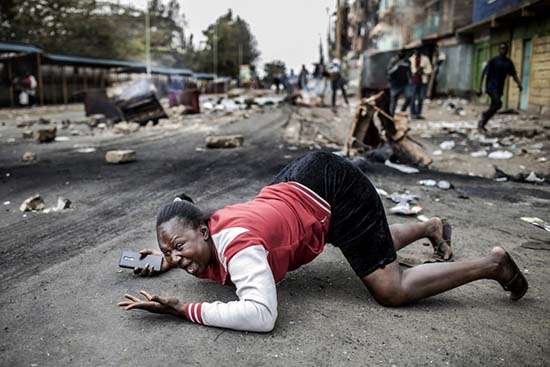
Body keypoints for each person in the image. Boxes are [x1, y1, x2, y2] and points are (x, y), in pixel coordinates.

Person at [118, 152, 528, 332]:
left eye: (179, 247)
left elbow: (261, 315)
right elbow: (192, 249)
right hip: (298, 186)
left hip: (332, 188)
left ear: (205, 230)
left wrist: (184, 310)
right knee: (359, 243)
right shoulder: (208, 226)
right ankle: (429, 226)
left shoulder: (239, 247)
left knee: (391, 288)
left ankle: (493, 264)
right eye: (169, 249)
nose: (176, 256)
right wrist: (169, 258)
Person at [477, 43, 522, 132]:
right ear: (499, 50)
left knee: (494, 107)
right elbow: (483, 73)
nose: (503, 50)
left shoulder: (508, 62)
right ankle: (485, 114)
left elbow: (513, 74)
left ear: (507, 50)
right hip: (491, 86)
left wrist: (519, 84)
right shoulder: (493, 61)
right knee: (498, 104)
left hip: (499, 88)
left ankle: (482, 123)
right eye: (501, 48)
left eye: (504, 49)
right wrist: (479, 87)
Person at [387, 50, 412, 116]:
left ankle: (402, 111)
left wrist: (410, 79)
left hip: (405, 84)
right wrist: (397, 66)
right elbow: (389, 72)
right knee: (394, 102)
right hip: (395, 85)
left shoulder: (407, 62)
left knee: (409, 97)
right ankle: (391, 116)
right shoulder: (393, 61)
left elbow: (409, 72)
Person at [409, 48, 432, 119]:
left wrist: (423, 71)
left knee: (421, 98)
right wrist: (415, 71)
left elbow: (430, 69)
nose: (417, 52)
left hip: (422, 81)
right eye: (415, 50)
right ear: (414, 51)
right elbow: (408, 70)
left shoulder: (425, 59)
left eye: (418, 50)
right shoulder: (411, 59)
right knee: (412, 98)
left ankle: (418, 114)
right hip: (413, 81)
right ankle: (413, 114)